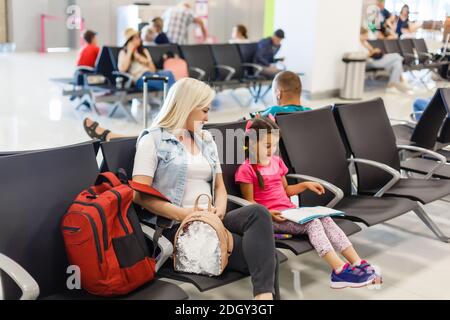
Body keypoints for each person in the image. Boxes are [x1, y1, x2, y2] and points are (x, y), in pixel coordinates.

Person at [131, 78, 279, 300]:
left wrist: (219, 210)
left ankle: (263, 300)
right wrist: (186, 214)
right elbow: (139, 195)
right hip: (177, 226)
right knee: (266, 258)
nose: (208, 118)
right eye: (205, 110)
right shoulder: (152, 140)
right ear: (187, 106)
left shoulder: (206, 139)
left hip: (211, 219)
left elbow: (219, 186)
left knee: (258, 213)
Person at [235, 116, 381, 289]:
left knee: (325, 219)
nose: (272, 150)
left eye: (274, 145)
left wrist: (305, 185)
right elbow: (249, 203)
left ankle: (357, 263)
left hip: (289, 213)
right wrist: (268, 213)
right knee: (313, 224)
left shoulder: (276, 162)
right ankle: (339, 271)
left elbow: (287, 191)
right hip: (271, 219)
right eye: (267, 146)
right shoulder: (246, 169)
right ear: (252, 143)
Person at [118, 28, 175, 92]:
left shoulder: (144, 51)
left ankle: (173, 97)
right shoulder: (123, 52)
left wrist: (144, 60)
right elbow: (122, 69)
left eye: (138, 37)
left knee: (168, 73)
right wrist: (130, 51)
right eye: (136, 38)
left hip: (151, 74)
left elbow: (153, 70)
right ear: (130, 41)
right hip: (140, 78)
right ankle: (174, 99)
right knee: (164, 82)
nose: (139, 39)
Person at [360, 27, 412, 94]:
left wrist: (374, 50)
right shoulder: (357, 44)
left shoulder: (365, 43)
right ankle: (401, 81)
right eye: (365, 35)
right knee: (397, 56)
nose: (367, 37)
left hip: (374, 60)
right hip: (368, 62)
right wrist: (372, 52)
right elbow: (362, 56)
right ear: (360, 35)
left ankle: (391, 87)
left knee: (396, 63)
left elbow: (372, 50)